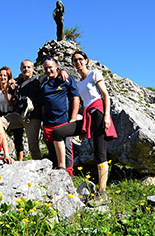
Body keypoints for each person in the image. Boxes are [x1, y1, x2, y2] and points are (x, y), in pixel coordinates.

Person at [52, 51, 118, 206]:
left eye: (80, 59)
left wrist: (107, 116)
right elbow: (83, 103)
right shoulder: (79, 82)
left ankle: (102, 192)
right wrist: (84, 128)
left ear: (86, 61)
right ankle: (62, 167)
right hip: (88, 115)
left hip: (99, 112)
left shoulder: (94, 74)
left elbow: (105, 95)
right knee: (58, 132)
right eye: (75, 60)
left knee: (100, 153)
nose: (77, 62)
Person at [40, 58, 79, 176]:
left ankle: (68, 173)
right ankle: (56, 174)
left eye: (51, 67)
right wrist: (43, 121)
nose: (48, 70)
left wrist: (73, 118)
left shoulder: (66, 79)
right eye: (46, 68)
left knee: (67, 148)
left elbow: (75, 98)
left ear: (56, 66)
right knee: (52, 150)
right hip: (48, 123)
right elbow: (43, 104)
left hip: (63, 121)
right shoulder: (43, 83)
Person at [0, 66, 25, 161]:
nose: (2, 77)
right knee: (0, 134)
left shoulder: (13, 87)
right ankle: (0, 155)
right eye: (1, 75)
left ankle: (20, 161)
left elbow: (10, 102)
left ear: (9, 77)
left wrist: (8, 87)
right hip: (1, 114)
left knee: (18, 138)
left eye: (5, 75)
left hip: (13, 114)